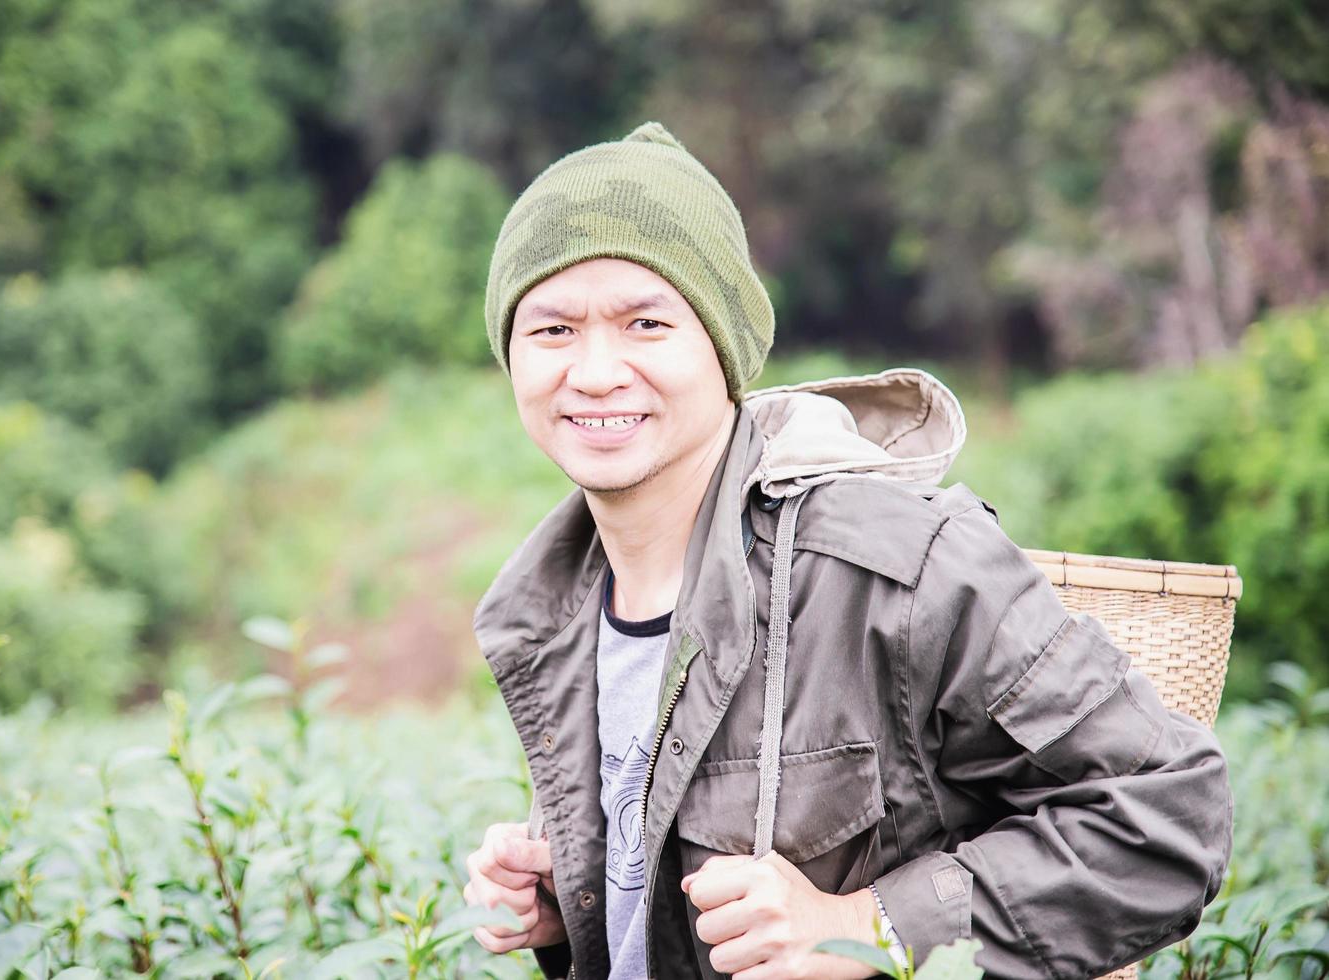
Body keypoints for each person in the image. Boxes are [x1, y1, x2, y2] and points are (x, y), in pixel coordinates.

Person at [460, 121, 1232, 980]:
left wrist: (869, 928)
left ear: (724, 348)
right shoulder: (551, 610)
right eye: (552, 331)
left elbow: (1168, 816)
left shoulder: (899, 565)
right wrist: (570, 903)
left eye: (646, 322)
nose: (597, 371)